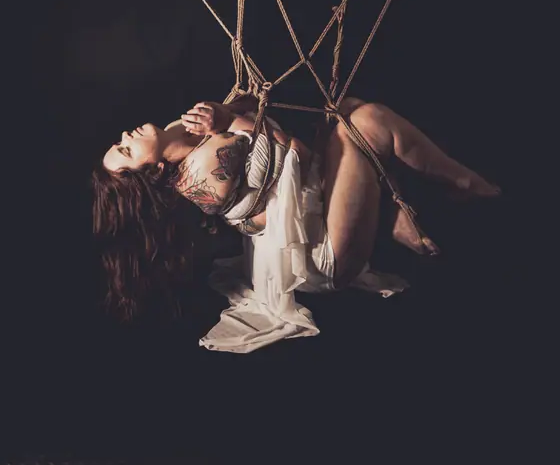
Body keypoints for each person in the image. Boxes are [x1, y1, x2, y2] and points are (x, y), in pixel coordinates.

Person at [93, 95, 500, 352]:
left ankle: (390, 214)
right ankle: (466, 183)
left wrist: (227, 110)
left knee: (347, 107)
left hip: (315, 206)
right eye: (127, 150)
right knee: (368, 122)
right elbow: (297, 154)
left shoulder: (177, 131)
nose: (126, 135)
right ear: (154, 172)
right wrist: (228, 117)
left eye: (119, 142)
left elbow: (249, 105)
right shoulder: (202, 177)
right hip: (323, 254)